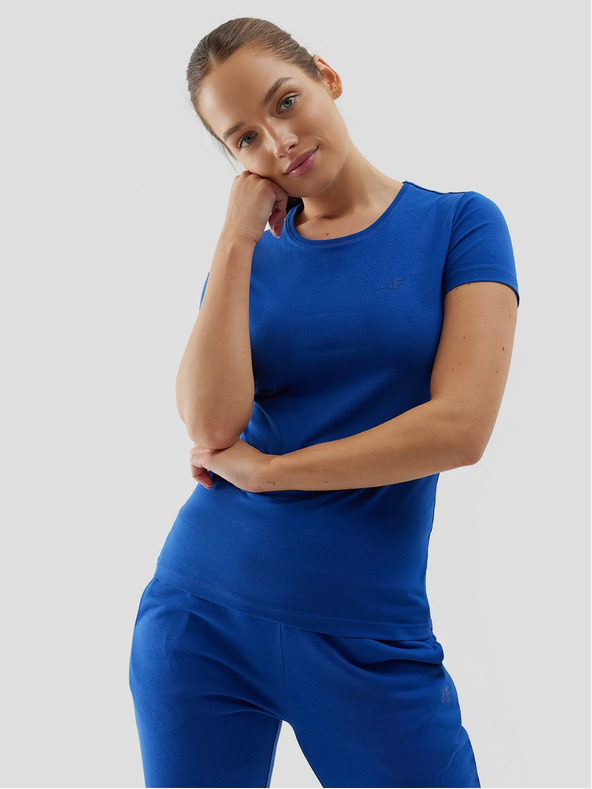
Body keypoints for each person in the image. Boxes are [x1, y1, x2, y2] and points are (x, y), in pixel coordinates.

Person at [128, 16, 520, 789]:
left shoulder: (459, 224)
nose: (278, 142)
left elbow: (461, 427)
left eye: (285, 102)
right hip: (201, 614)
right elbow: (209, 426)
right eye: (244, 138)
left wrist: (274, 473)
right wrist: (235, 239)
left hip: (367, 633)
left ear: (327, 77)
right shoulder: (249, 259)